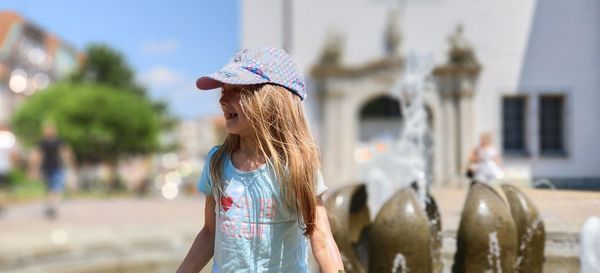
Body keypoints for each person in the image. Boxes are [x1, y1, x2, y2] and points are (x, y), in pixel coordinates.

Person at [176, 48, 344, 273]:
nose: (223, 99)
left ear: (271, 99)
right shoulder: (217, 162)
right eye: (223, 90)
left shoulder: (296, 166)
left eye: (236, 90)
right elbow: (209, 232)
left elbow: (322, 240)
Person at [29, 123, 74, 219]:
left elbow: (65, 153)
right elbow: (37, 156)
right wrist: (34, 169)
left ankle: (52, 205)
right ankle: (52, 205)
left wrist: (33, 169)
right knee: (52, 188)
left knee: (54, 187)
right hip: (48, 167)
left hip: (54, 167)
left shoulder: (55, 141)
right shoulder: (44, 142)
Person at [0, 124, 18, 216]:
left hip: (3, 167)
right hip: (4, 167)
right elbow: (13, 153)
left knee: (2, 187)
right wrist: (14, 165)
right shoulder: (9, 138)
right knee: (3, 188)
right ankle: (2, 203)